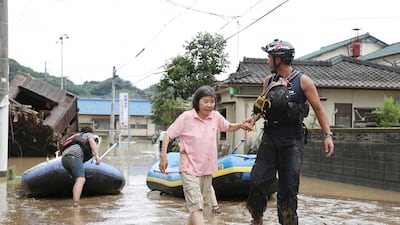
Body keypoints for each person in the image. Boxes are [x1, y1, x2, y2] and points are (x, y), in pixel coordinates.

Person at [243, 39, 334, 225]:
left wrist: (328, 135)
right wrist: (252, 119)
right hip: (270, 137)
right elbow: (262, 107)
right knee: (257, 182)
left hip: (292, 141)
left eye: (270, 57)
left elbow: (319, 109)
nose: (267, 61)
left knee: (289, 190)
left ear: (280, 59)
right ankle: (257, 218)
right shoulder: (268, 81)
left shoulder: (304, 82)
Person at [159, 85, 247, 225]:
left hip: (207, 168)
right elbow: (168, 135)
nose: (209, 105)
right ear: (197, 102)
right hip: (188, 167)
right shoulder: (186, 117)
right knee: (196, 205)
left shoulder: (215, 116)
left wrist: (241, 125)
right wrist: (163, 157)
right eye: (205, 101)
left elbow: (228, 127)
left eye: (212, 102)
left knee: (202, 208)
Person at [61, 126, 101, 207]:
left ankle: (73, 199)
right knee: (81, 179)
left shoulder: (75, 137)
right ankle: (76, 204)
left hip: (64, 159)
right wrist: (97, 155)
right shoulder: (88, 135)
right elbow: (91, 141)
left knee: (76, 179)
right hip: (74, 156)